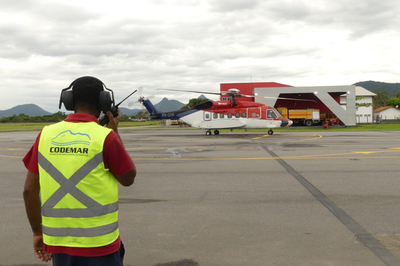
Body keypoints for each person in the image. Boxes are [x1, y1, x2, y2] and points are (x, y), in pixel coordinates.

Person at [22, 76, 136, 266]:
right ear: (104, 101)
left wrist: (37, 232)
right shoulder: (106, 137)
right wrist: (114, 131)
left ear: (68, 100)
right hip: (100, 244)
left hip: (58, 244)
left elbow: (29, 190)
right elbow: (128, 178)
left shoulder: (45, 134)